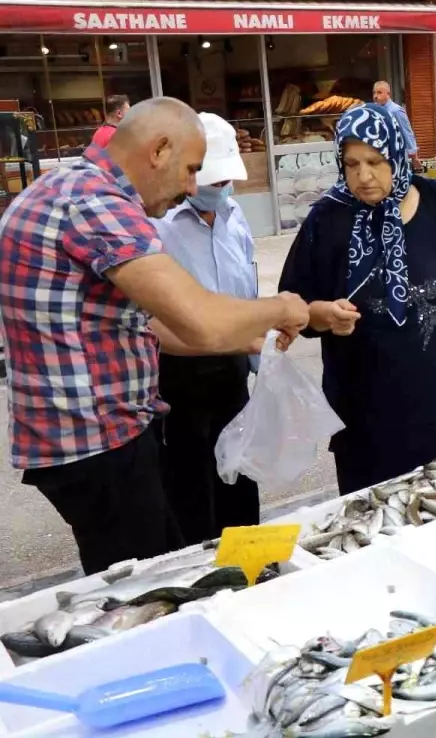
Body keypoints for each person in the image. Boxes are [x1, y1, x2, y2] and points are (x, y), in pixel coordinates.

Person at [0, 97, 309, 574]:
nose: (190, 188)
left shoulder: (65, 187)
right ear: (159, 149)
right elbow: (198, 317)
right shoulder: (96, 203)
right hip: (96, 442)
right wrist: (283, 307)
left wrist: (249, 335)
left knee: (166, 561)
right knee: (141, 588)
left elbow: (154, 325)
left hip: (85, 438)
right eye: (189, 170)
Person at [279, 104, 436, 495]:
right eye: (352, 163)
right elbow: (294, 306)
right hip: (367, 414)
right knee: (375, 516)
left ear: (396, 155)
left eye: (376, 162)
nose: (363, 176)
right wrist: (323, 315)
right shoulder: (328, 221)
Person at [150, 113, 262, 545]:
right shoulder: (159, 224)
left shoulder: (235, 216)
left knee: (238, 482)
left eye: (224, 181)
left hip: (233, 370)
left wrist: (258, 356)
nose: (219, 190)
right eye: (211, 181)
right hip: (179, 377)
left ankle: (245, 567)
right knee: (191, 491)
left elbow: (247, 287)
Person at [373, 80, 420, 163]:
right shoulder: (374, 111)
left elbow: (406, 132)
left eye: (379, 93)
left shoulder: (395, 111)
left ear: (388, 94)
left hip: (396, 156)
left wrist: (414, 157)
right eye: (374, 93)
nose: (376, 96)